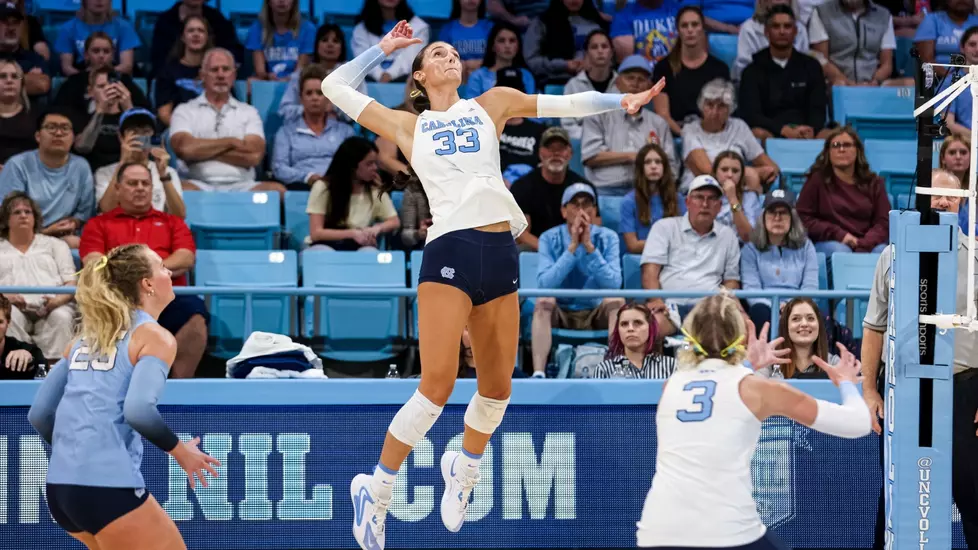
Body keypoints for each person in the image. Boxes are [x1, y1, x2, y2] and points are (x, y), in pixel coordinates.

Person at [319, 20, 662, 550]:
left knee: (499, 388)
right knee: (436, 386)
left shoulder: (492, 103)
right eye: (438, 52)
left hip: (501, 252)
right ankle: (377, 488)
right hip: (450, 249)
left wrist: (623, 101)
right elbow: (332, 88)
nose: (450, 56)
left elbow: (563, 107)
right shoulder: (407, 126)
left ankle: (465, 465)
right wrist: (381, 49)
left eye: (454, 51)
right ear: (419, 75)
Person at [636, 292, 870, 548]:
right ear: (741, 336)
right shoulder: (757, 389)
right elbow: (857, 424)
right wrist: (846, 383)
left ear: (689, 336)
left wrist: (749, 364)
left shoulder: (671, 386)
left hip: (657, 531)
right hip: (728, 533)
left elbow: (716, 388)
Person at [26, 243, 220, 550]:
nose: (169, 273)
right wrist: (182, 453)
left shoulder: (85, 337)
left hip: (61, 491)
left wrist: (78, 453)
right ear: (147, 283)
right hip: (108, 488)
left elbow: (38, 414)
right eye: (161, 267)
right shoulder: (154, 336)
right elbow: (139, 410)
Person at [860, 168, 978, 549]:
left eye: (950, 196)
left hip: (964, 390)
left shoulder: (975, 259)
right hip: (906, 391)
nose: (942, 202)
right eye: (935, 195)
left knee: (971, 491)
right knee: (898, 496)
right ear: (921, 200)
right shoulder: (892, 257)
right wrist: (868, 389)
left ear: (961, 203)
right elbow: (873, 327)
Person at [754, 297, 838, 379]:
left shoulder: (833, 363)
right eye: (796, 319)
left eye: (810, 318)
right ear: (786, 326)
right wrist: (758, 363)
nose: (804, 324)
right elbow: (754, 390)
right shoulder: (769, 361)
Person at [589, 302, 676, 378]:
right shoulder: (604, 369)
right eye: (624, 324)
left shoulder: (671, 366)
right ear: (618, 330)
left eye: (638, 323)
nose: (630, 329)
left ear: (650, 328)